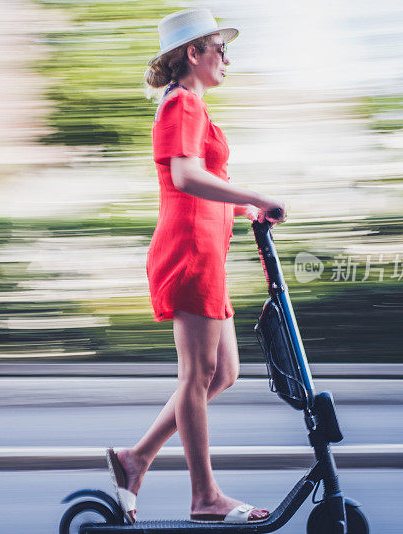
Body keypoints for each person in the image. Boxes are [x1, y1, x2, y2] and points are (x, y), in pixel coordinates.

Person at [106, 8, 287, 525]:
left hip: (208, 252)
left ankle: (135, 458)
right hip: (187, 252)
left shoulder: (194, 109)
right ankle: (204, 496)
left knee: (222, 372)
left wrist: (242, 208)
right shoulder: (181, 104)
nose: (227, 59)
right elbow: (185, 178)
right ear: (193, 53)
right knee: (197, 375)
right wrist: (256, 193)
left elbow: (204, 186)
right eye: (220, 48)